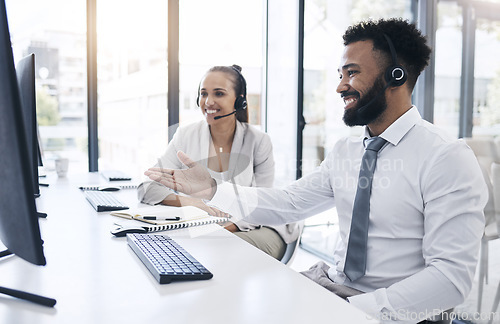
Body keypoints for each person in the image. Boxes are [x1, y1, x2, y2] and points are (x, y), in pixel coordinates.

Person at [144, 19, 487, 323]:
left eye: (352, 72)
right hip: (331, 284)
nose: (340, 86)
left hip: (391, 307)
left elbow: (451, 279)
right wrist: (213, 191)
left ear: (395, 76)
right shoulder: (346, 151)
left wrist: (355, 311)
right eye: (341, 75)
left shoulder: (445, 157)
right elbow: (289, 203)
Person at [138, 64, 302, 261]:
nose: (208, 101)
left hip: (259, 227)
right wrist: (195, 204)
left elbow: (262, 207)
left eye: (219, 94)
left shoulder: (258, 141)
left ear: (239, 101)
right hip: (207, 230)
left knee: (219, 252)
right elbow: (147, 188)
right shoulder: (186, 135)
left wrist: (219, 227)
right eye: (203, 93)